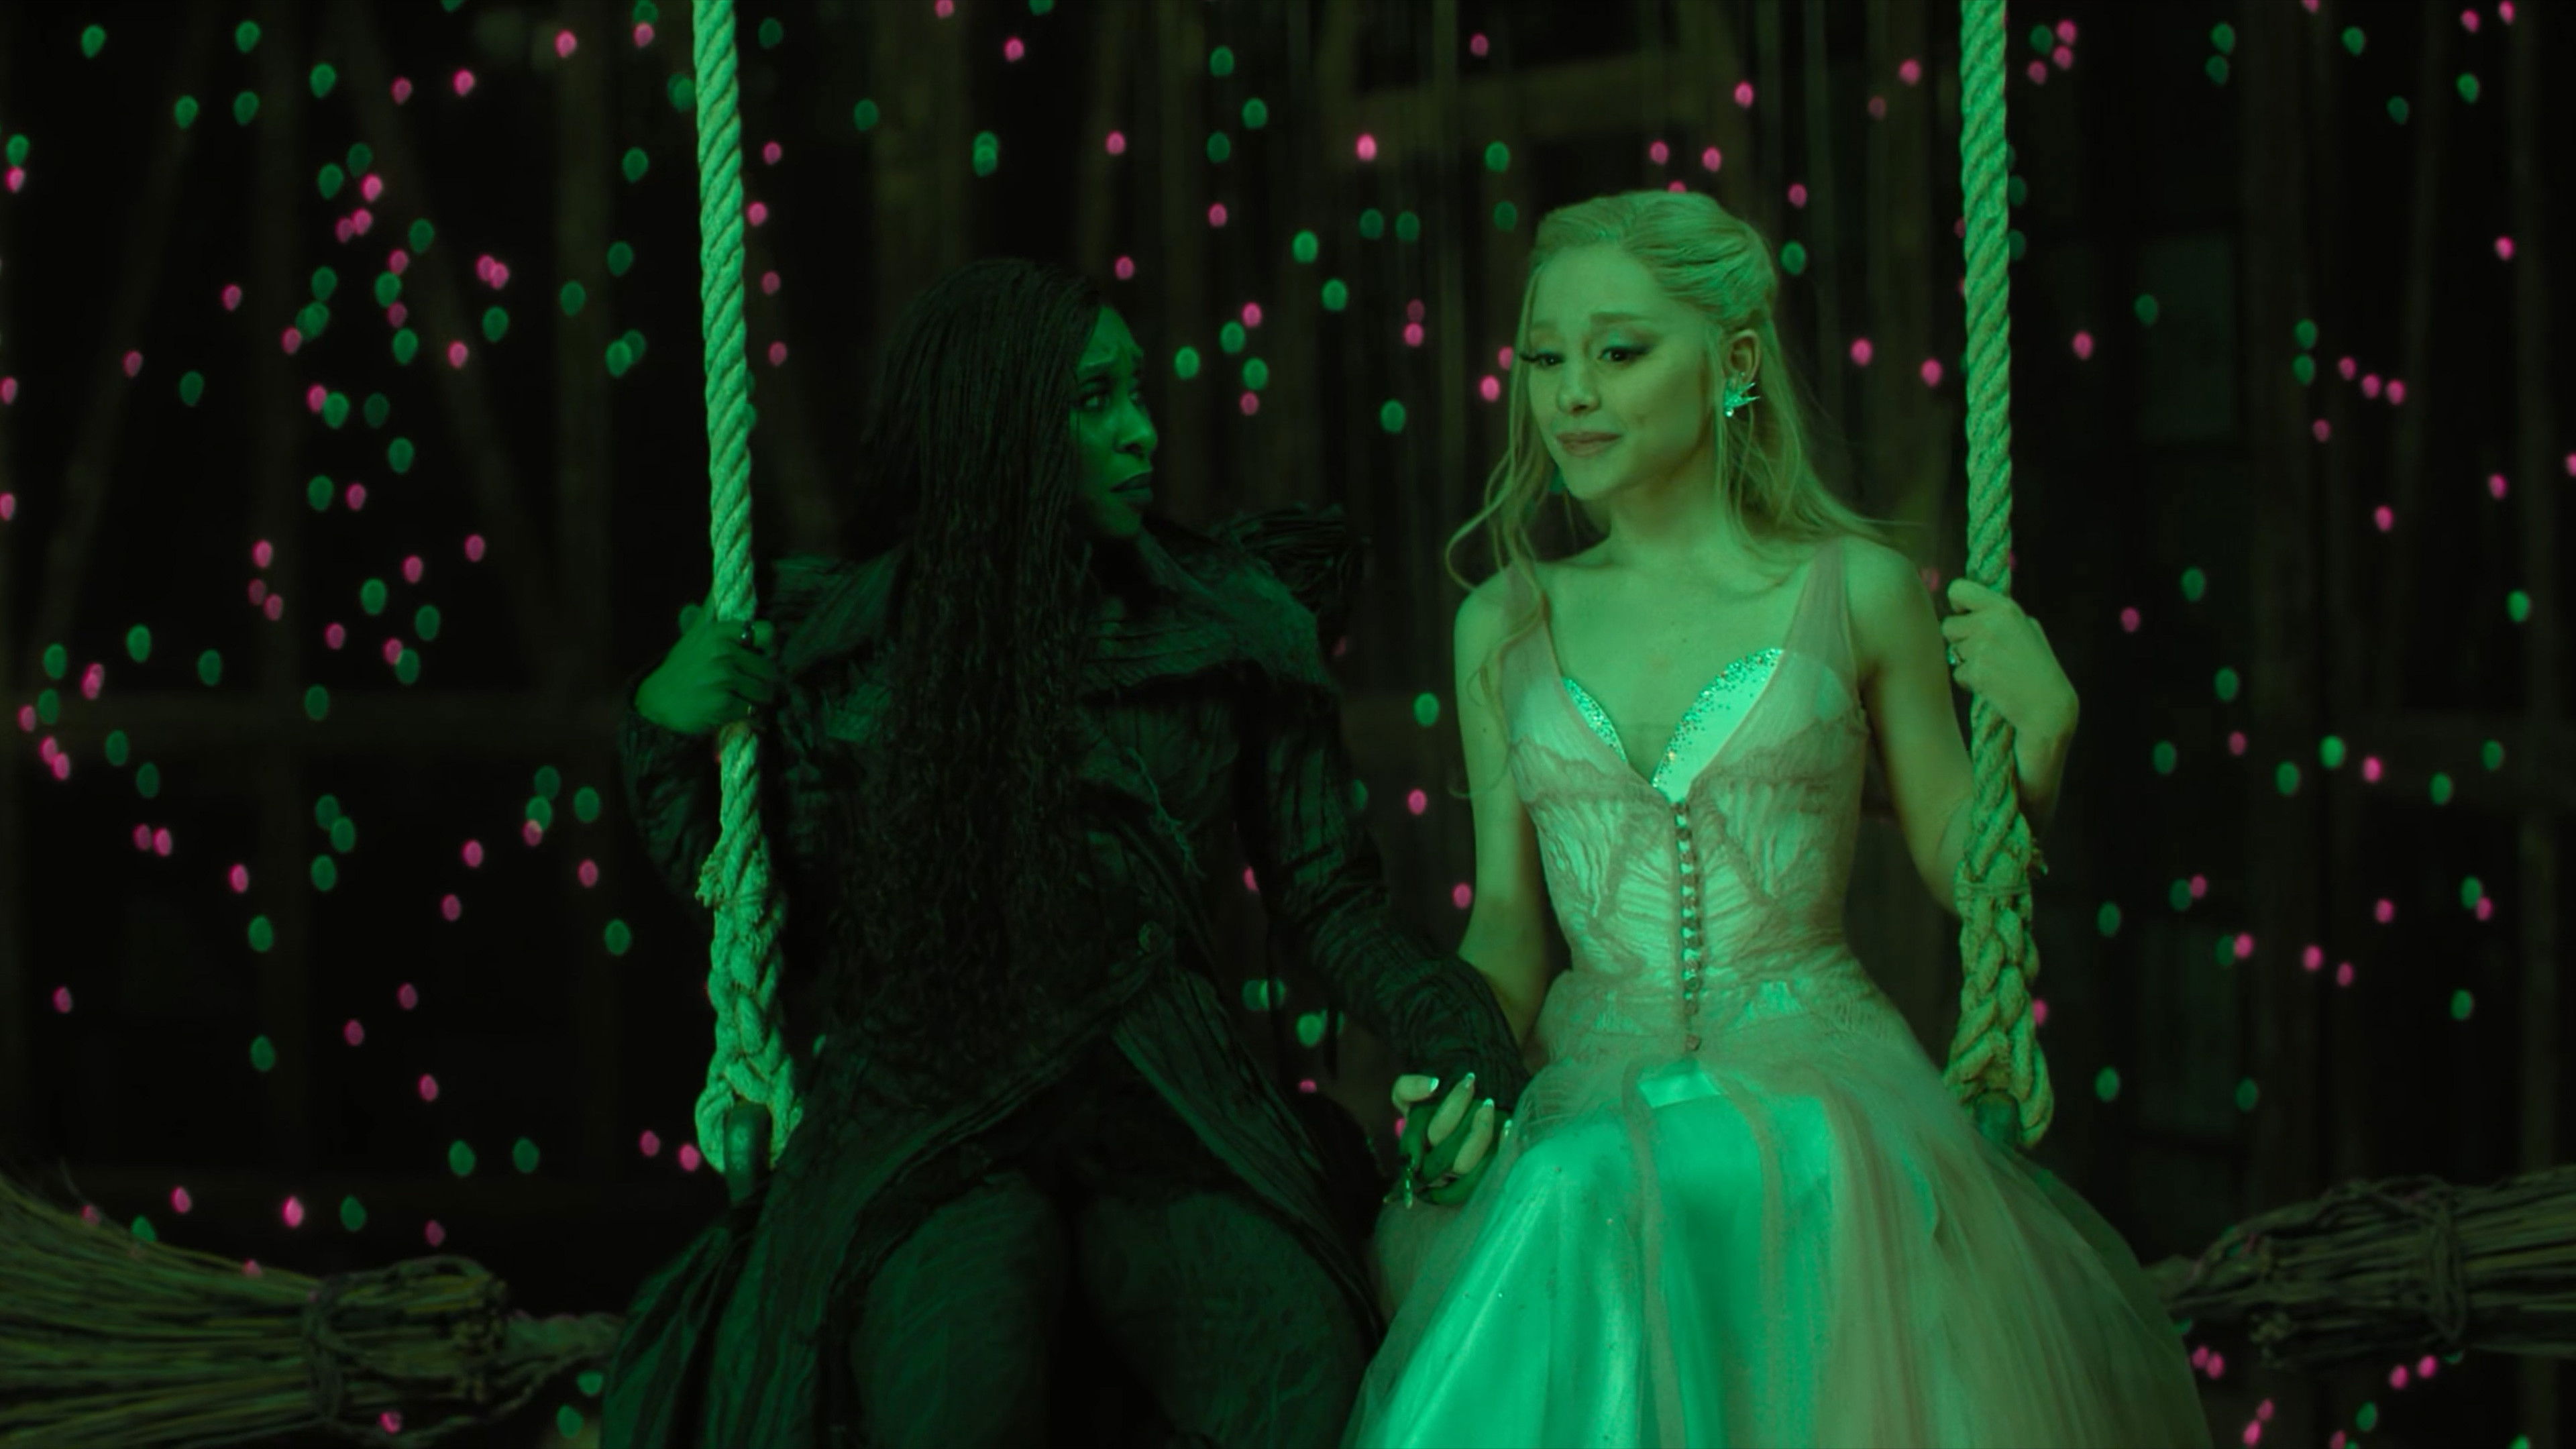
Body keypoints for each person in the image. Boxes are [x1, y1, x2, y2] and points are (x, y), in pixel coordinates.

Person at [1344, 191, 2212, 1447]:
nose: (1572, 392)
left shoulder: (1855, 592)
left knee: (1606, 1187)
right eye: (1543, 358)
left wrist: (2040, 743)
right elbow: (1512, 926)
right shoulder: (1505, 622)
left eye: (1619, 351)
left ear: (1735, 363)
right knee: (1571, 1187)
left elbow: (1965, 867)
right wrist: (1457, 1065)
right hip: (1593, 1081)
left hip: (1820, 1084)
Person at [600, 258, 1510, 1449]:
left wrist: (1458, 1035)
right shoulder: (853, 653)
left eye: (1135, 391)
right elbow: (781, 924)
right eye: (1093, 399)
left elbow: (1329, 896)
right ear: (997, 430)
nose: (1142, 431)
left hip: (1167, 1108)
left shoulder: (1226, 627)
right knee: (952, 1375)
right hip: (932, 1117)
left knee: (1298, 1359)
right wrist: (668, 733)